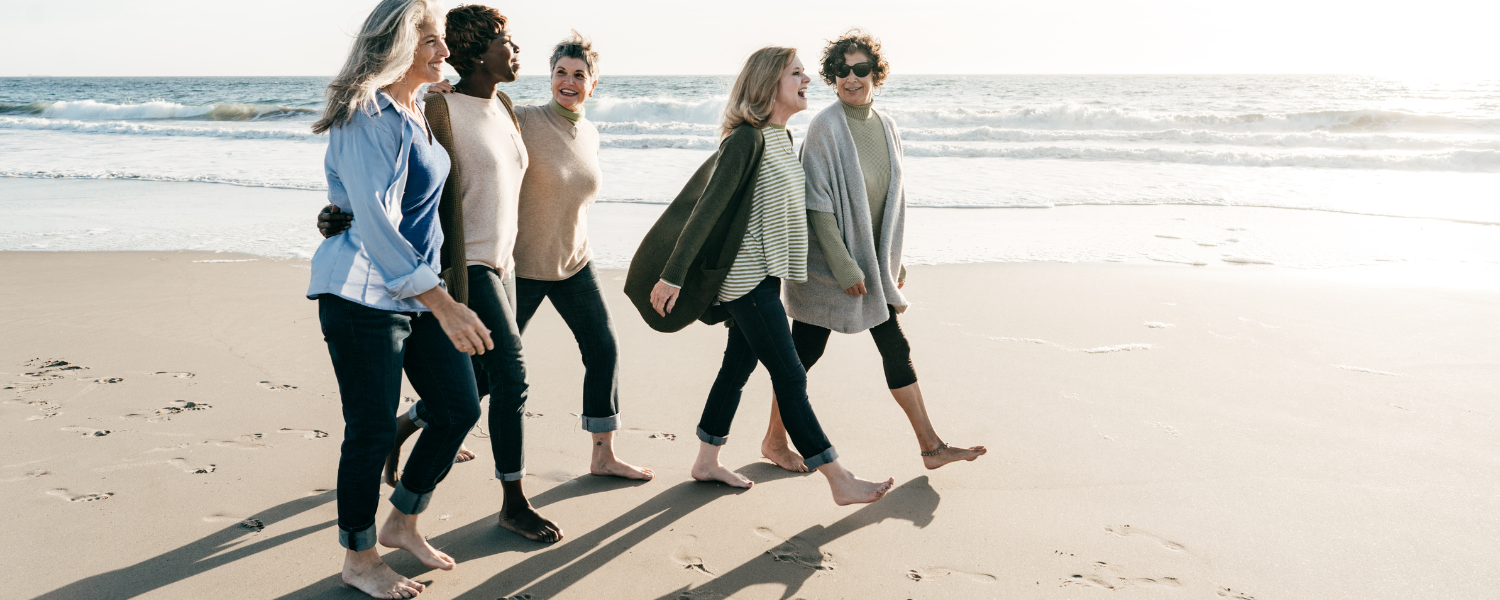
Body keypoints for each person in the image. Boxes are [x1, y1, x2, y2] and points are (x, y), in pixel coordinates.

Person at [320, 26, 651, 545]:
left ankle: (410, 427)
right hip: (466, 264)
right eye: (506, 41)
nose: (517, 48)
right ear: (478, 51)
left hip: (514, 265)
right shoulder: (442, 108)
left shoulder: (511, 112)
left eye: (579, 75)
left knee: (484, 380)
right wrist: (341, 212)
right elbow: (392, 177)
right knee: (511, 376)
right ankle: (512, 502)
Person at [626, 46, 893, 506]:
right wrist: (672, 275)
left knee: (736, 368)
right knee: (791, 377)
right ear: (770, 83)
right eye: (796, 73)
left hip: (768, 279)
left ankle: (706, 460)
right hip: (745, 284)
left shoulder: (781, 139)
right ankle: (838, 478)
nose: (807, 79)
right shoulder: (746, 140)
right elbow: (705, 212)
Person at [307, 1, 485, 597]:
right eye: (431, 41)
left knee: (458, 407)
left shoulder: (416, 109)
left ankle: (402, 520)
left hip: (413, 292)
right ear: (397, 48)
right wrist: (447, 304)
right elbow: (377, 228)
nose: (445, 51)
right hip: (361, 295)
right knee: (372, 431)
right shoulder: (366, 116)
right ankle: (358, 559)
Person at [766, 30, 987, 472]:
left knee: (889, 347)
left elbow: (889, 201)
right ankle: (775, 440)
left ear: (876, 73)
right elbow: (817, 205)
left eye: (861, 68)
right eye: (842, 70)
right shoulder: (826, 127)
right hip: (829, 270)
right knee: (803, 355)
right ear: (832, 76)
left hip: (872, 266)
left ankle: (930, 446)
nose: (852, 77)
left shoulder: (886, 126)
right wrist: (846, 266)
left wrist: (892, 259)